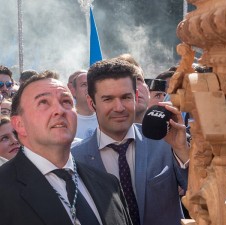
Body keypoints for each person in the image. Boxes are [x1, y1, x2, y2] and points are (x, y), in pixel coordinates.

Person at [0, 73, 132, 225]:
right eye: (43, 102)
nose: (59, 110)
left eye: (66, 101)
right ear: (19, 124)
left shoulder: (108, 185)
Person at [72, 59, 189, 225]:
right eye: (108, 99)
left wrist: (182, 150)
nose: (119, 107)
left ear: (136, 97)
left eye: (126, 97)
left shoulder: (164, 141)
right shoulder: (76, 159)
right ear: (92, 103)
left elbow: (201, 194)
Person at [115, 54, 150, 123]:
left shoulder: (168, 128)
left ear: (148, 89)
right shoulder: (100, 133)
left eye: (138, 79)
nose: (135, 88)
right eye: (124, 83)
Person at [72, 71, 98, 139]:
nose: (89, 88)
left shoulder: (104, 117)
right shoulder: (68, 119)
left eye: (91, 85)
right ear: (74, 91)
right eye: (84, 84)